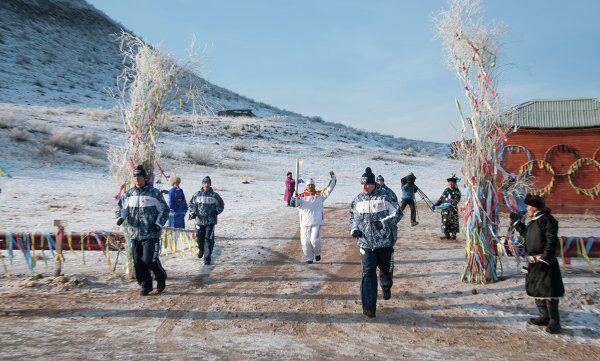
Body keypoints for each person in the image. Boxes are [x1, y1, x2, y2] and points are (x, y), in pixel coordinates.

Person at [349, 167, 403, 318]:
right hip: (366, 243)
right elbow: (353, 218)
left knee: (385, 271)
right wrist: (354, 230)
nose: (364, 187)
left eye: (367, 184)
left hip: (385, 242)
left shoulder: (386, 196)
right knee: (368, 273)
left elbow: (398, 213)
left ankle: (386, 286)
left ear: (373, 183)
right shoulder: (358, 199)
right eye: (362, 184)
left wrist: (383, 223)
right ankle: (369, 308)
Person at [510, 194, 564, 334]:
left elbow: (551, 240)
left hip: (544, 261)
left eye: (528, 206)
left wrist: (545, 258)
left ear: (534, 207)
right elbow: (527, 234)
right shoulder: (534, 221)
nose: (527, 209)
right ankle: (544, 317)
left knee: (548, 291)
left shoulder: (547, 220)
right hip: (533, 262)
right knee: (537, 290)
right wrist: (517, 223)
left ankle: (554, 321)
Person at [115, 164, 169, 296]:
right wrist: (120, 218)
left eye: (139, 176)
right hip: (134, 233)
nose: (137, 179)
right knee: (137, 261)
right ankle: (146, 285)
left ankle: (160, 276)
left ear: (145, 177)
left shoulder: (154, 193)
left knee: (148, 259)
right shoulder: (128, 194)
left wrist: (158, 224)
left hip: (151, 232)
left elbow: (164, 210)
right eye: (135, 177)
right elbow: (121, 208)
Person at [296, 171, 336, 263]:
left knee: (315, 240)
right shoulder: (301, 196)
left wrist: (333, 179)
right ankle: (309, 258)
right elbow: (293, 203)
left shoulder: (320, 195)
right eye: (309, 185)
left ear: (314, 186)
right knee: (305, 242)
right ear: (306, 186)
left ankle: (317, 253)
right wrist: (294, 197)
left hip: (316, 222)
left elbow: (329, 189)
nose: (310, 186)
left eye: (312, 185)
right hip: (304, 223)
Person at [188, 176, 225, 265]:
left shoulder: (215, 195)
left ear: (210, 184)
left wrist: (215, 212)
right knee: (199, 238)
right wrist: (193, 213)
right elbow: (191, 204)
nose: (206, 184)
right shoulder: (197, 194)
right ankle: (201, 249)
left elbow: (221, 205)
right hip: (199, 221)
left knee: (208, 239)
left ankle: (207, 258)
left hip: (210, 222)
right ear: (202, 184)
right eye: (205, 183)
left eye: (208, 183)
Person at [434, 175, 461, 239]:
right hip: (445, 210)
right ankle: (446, 235)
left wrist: (450, 204)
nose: (451, 184)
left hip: (453, 210)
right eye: (449, 183)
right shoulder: (446, 190)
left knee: (453, 222)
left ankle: (453, 235)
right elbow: (441, 198)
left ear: (455, 183)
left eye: (452, 183)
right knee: (444, 222)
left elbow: (457, 200)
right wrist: (436, 205)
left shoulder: (457, 191)